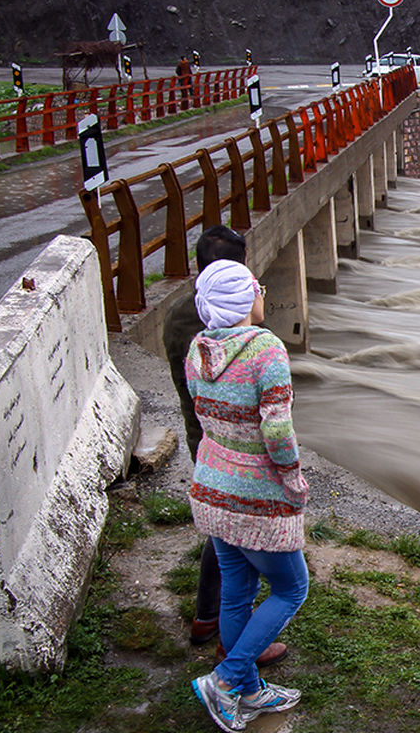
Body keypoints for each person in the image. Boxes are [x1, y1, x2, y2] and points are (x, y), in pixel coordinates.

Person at [188, 259, 309, 732]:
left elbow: (209, 421)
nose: (263, 292)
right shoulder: (266, 350)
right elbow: (277, 430)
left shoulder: (197, 349)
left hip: (212, 489)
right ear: (246, 300)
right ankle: (228, 679)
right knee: (291, 588)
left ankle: (252, 690)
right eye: (258, 286)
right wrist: (293, 479)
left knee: (237, 593)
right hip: (256, 496)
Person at [164, 225, 287, 669]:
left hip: (204, 439)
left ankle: (205, 619)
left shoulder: (179, 317)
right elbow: (265, 404)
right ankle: (233, 646)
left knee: (221, 534)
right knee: (246, 549)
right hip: (238, 445)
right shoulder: (238, 332)